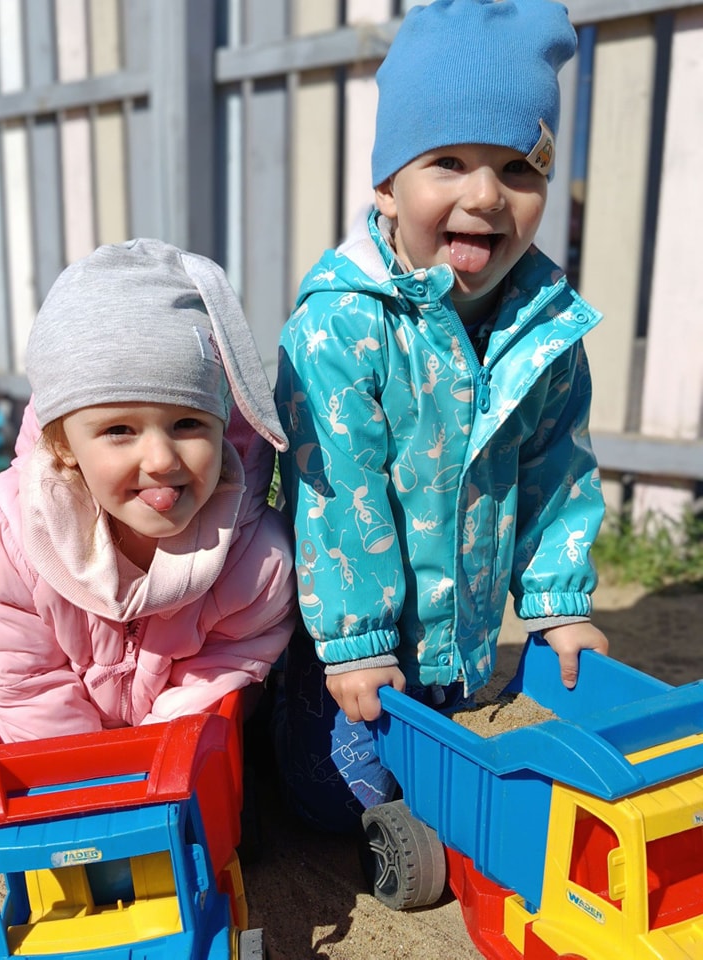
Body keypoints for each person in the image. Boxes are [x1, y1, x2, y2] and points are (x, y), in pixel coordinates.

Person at [274, 0, 608, 833]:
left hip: (462, 650)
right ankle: (278, 713)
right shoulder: (342, 326)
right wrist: (358, 645)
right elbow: (335, 493)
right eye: (449, 162)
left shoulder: (543, 332)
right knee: (343, 804)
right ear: (388, 186)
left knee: (469, 795)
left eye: (519, 169)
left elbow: (558, 474)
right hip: (355, 648)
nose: (486, 195)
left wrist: (559, 603)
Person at [0, 238, 296, 744]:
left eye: (188, 423)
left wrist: (149, 767)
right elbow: (25, 689)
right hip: (43, 731)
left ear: (223, 426)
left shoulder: (254, 561)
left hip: (172, 743)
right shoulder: (0, 546)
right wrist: (88, 774)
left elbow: (219, 673)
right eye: (119, 431)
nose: (161, 460)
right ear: (63, 445)